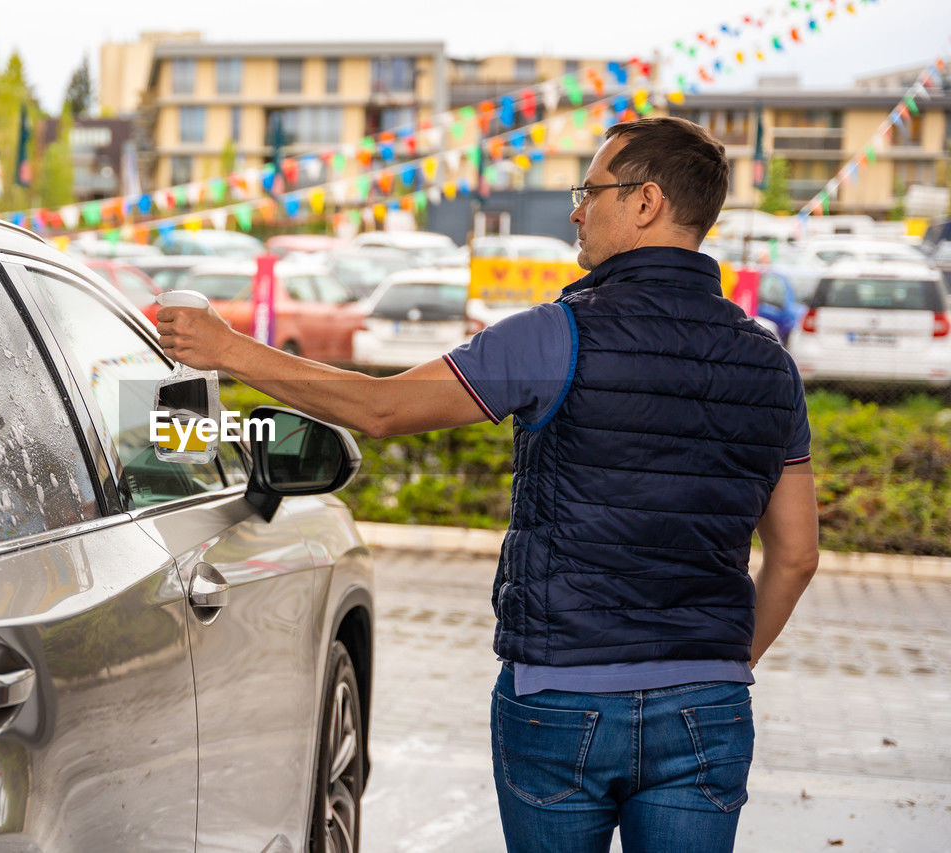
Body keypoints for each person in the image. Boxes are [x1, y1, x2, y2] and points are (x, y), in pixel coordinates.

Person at [157, 116, 819, 853]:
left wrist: (227, 349)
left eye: (589, 190)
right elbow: (796, 555)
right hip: (708, 706)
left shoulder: (557, 335)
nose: (575, 209)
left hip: (564, 700)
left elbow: (382, 408)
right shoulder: (770, 365)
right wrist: (720, 664)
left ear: (645, 202)